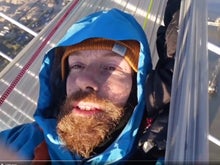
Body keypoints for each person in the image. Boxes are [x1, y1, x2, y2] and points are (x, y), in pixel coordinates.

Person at [0, 0, 180, 163]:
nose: (84, 80)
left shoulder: (161, 152)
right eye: (77, 65)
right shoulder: (24, 141)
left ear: (137, 89)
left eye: (111, 68)